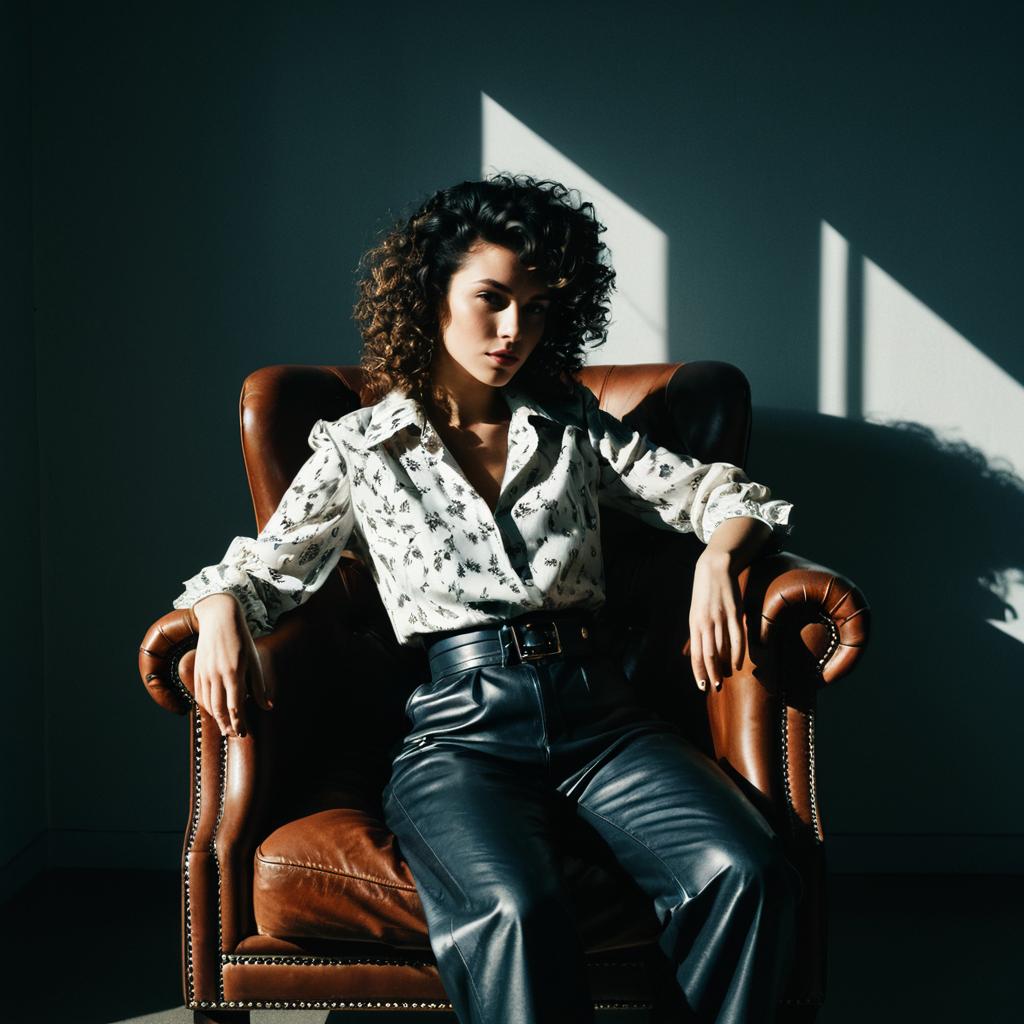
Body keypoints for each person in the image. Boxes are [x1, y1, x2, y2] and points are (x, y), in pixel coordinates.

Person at [173, 173, 801, 1024]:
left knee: (747, 869)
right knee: (514, 911)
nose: (514, 331)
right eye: (493, 299)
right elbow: (264, 569)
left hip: (602, 721)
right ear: (433, 294)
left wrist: (718, 563)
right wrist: (216, 613)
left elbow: (724, 499)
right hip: (461, 730)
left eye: (538, 307)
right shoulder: (362, 445)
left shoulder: (570, 421)